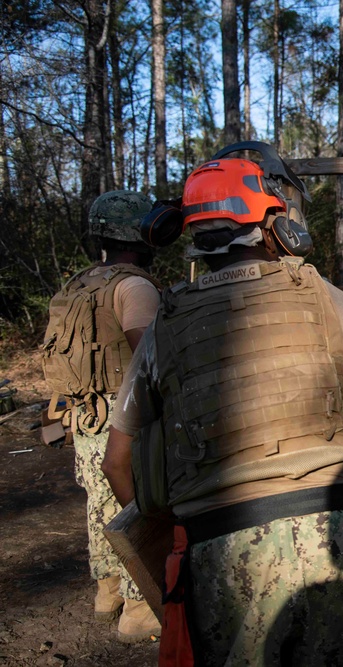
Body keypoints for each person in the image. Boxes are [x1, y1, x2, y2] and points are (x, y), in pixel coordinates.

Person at [102, 143, 343, 664]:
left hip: (221, 545)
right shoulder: (331, 301)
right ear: (275, 224)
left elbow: (117, 461)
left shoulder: (164, 326)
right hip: (337, 532)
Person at [40, 191, 162, 642]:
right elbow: (151, 360)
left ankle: (106, 591)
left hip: (85, 416)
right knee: (140, 505)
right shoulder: (134, 286)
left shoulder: (76, 284)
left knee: (100, 504)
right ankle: (138, 608)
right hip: (125, 414)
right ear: (140, 233)